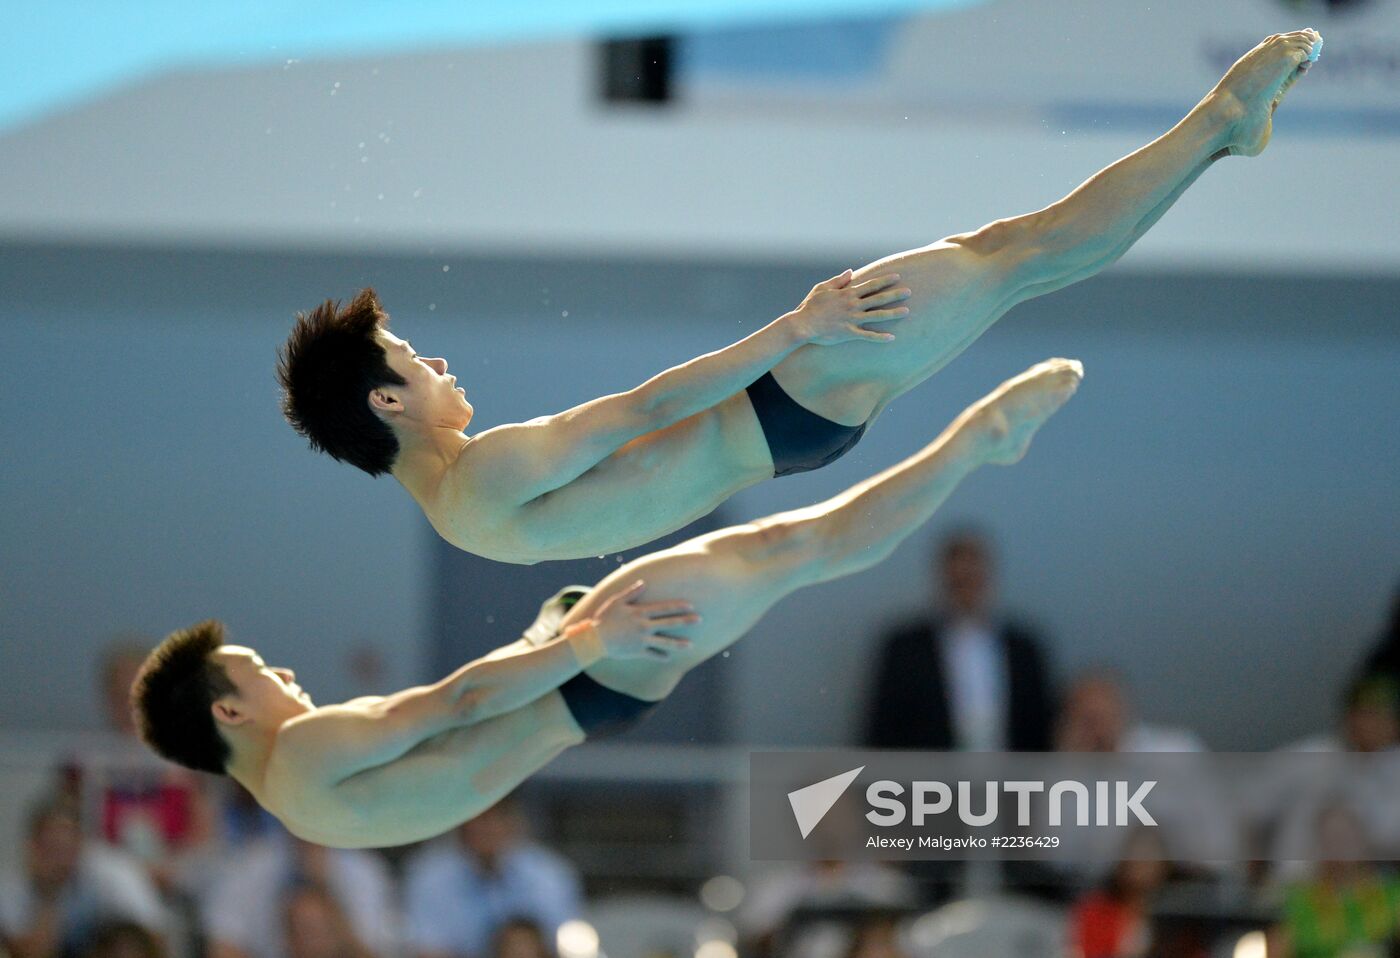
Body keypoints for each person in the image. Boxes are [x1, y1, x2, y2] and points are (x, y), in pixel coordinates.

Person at [277, 32, 1318, 564]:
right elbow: (644, 411)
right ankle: (1222, 117)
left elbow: (629, 494)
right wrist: (797, 327)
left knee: (1018, 262)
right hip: (787, 393)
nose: (442, 366)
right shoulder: (486, 470)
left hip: (787, 432)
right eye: (417, 361)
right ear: (386, 401)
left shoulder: (461, 512)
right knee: (1017, 253)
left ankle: (1223, 138)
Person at [131, 359, 1081, 848]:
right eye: (266, 672)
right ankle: (974, 445)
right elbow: (454, 707)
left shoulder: (300, 811)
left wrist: (562, 642)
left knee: (795, 554)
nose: (287, 675)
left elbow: (459, 755)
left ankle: (969, 450)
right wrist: (585, 637)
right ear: (227, 711)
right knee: (797, 546)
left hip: (591, 703)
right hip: (593, 671)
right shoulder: (303, 751)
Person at [864, 531, 1054, 751]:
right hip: (926, 780)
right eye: (958, 582)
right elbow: (882, 728)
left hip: (1011, 780)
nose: (966, 589)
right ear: (943, 579)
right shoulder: (905, 649)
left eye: (972, 579)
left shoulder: (1024, 649)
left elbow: (1040, 726)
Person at [403, 797, 580, 958]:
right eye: (479, 818)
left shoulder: (549, 875)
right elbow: (428, 950)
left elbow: (566, 946)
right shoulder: (430, 877)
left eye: (496, 817)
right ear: (460, 823)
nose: (486, 828)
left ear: (514, 822)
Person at [0, 796, 169, 958]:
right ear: (32, 846)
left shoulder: (112, 873)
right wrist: (49, 893)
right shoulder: (13, 886)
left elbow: (156, 941)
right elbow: (30, 954)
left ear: (82, 843)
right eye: (52, 847)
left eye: (66, 846)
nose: (60, 858)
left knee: (127, 944)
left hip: (102, 949)